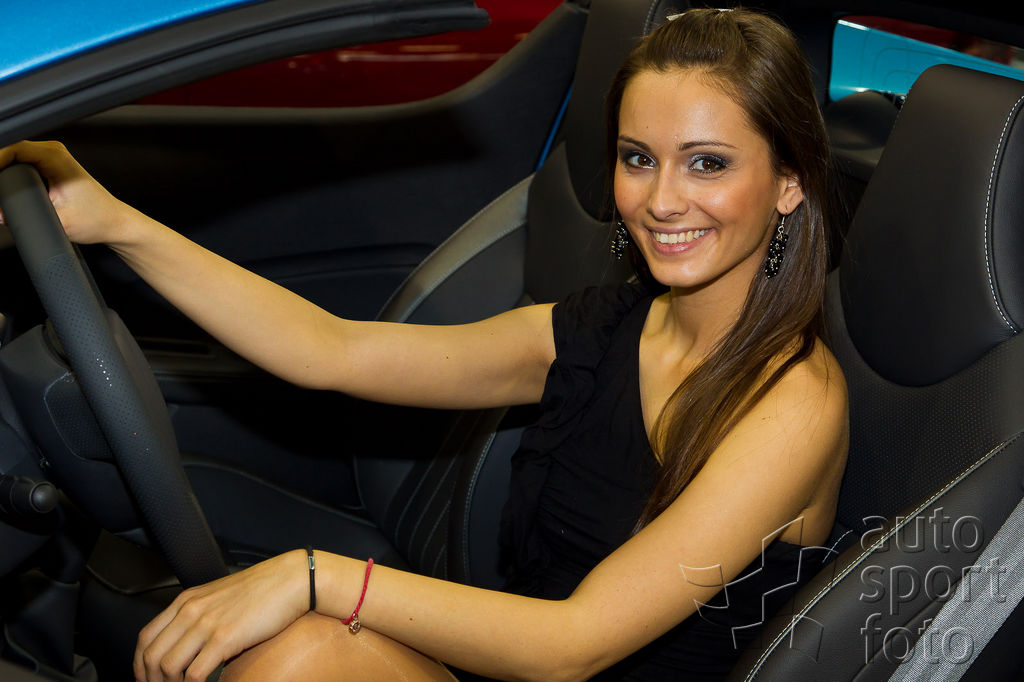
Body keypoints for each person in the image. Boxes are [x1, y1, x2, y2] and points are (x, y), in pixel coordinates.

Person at [0, 7, 848, 681]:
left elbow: (573, 644)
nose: (661, 200)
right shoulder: (601, 329)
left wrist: (316, 577)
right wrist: (115, 223)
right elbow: (331, 352)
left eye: (707, 164)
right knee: (298, 654)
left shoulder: (793, 404)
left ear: (789, 182)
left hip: (554, 656)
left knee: (299, 651)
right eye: (638, 158)